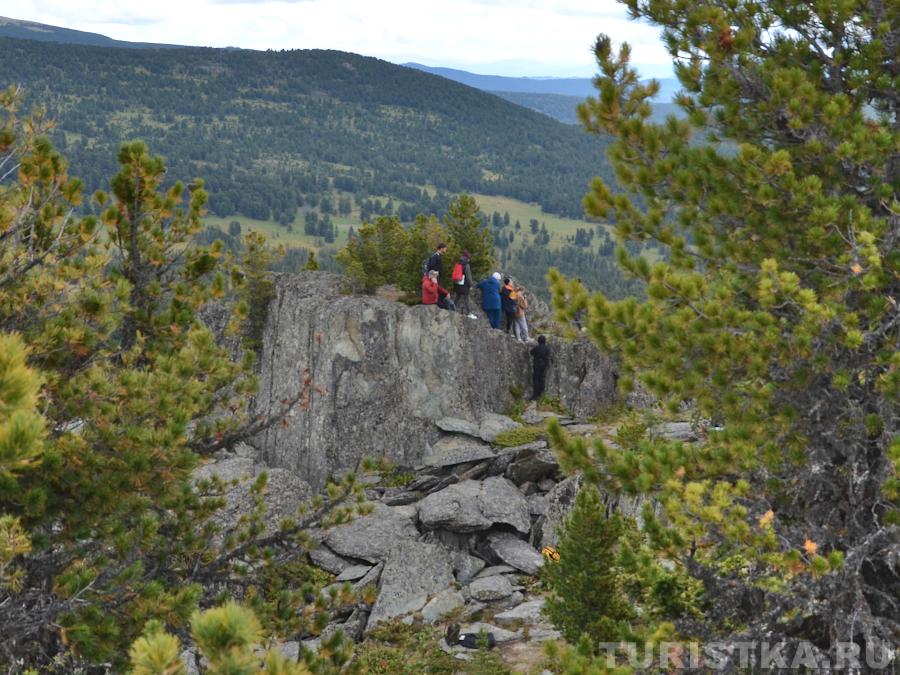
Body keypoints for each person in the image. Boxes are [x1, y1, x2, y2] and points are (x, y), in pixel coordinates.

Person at [452, 250, 477, 319]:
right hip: (464, 285)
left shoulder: (458, 263)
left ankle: (452, 309)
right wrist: (470, 285)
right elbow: (469, 277)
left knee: (457, 297)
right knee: (466, 299)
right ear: (467, 258)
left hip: (457, 284)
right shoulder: (466, 265)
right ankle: (468, 313)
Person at [530, 335, 549, 400]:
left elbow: (531, 352)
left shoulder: (537, 348)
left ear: (539, 341)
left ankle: (536, 394)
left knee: (536, 379)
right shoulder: (546, 348)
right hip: (544, 365)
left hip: (537, 364)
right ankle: (542, 393)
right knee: (542, 379)